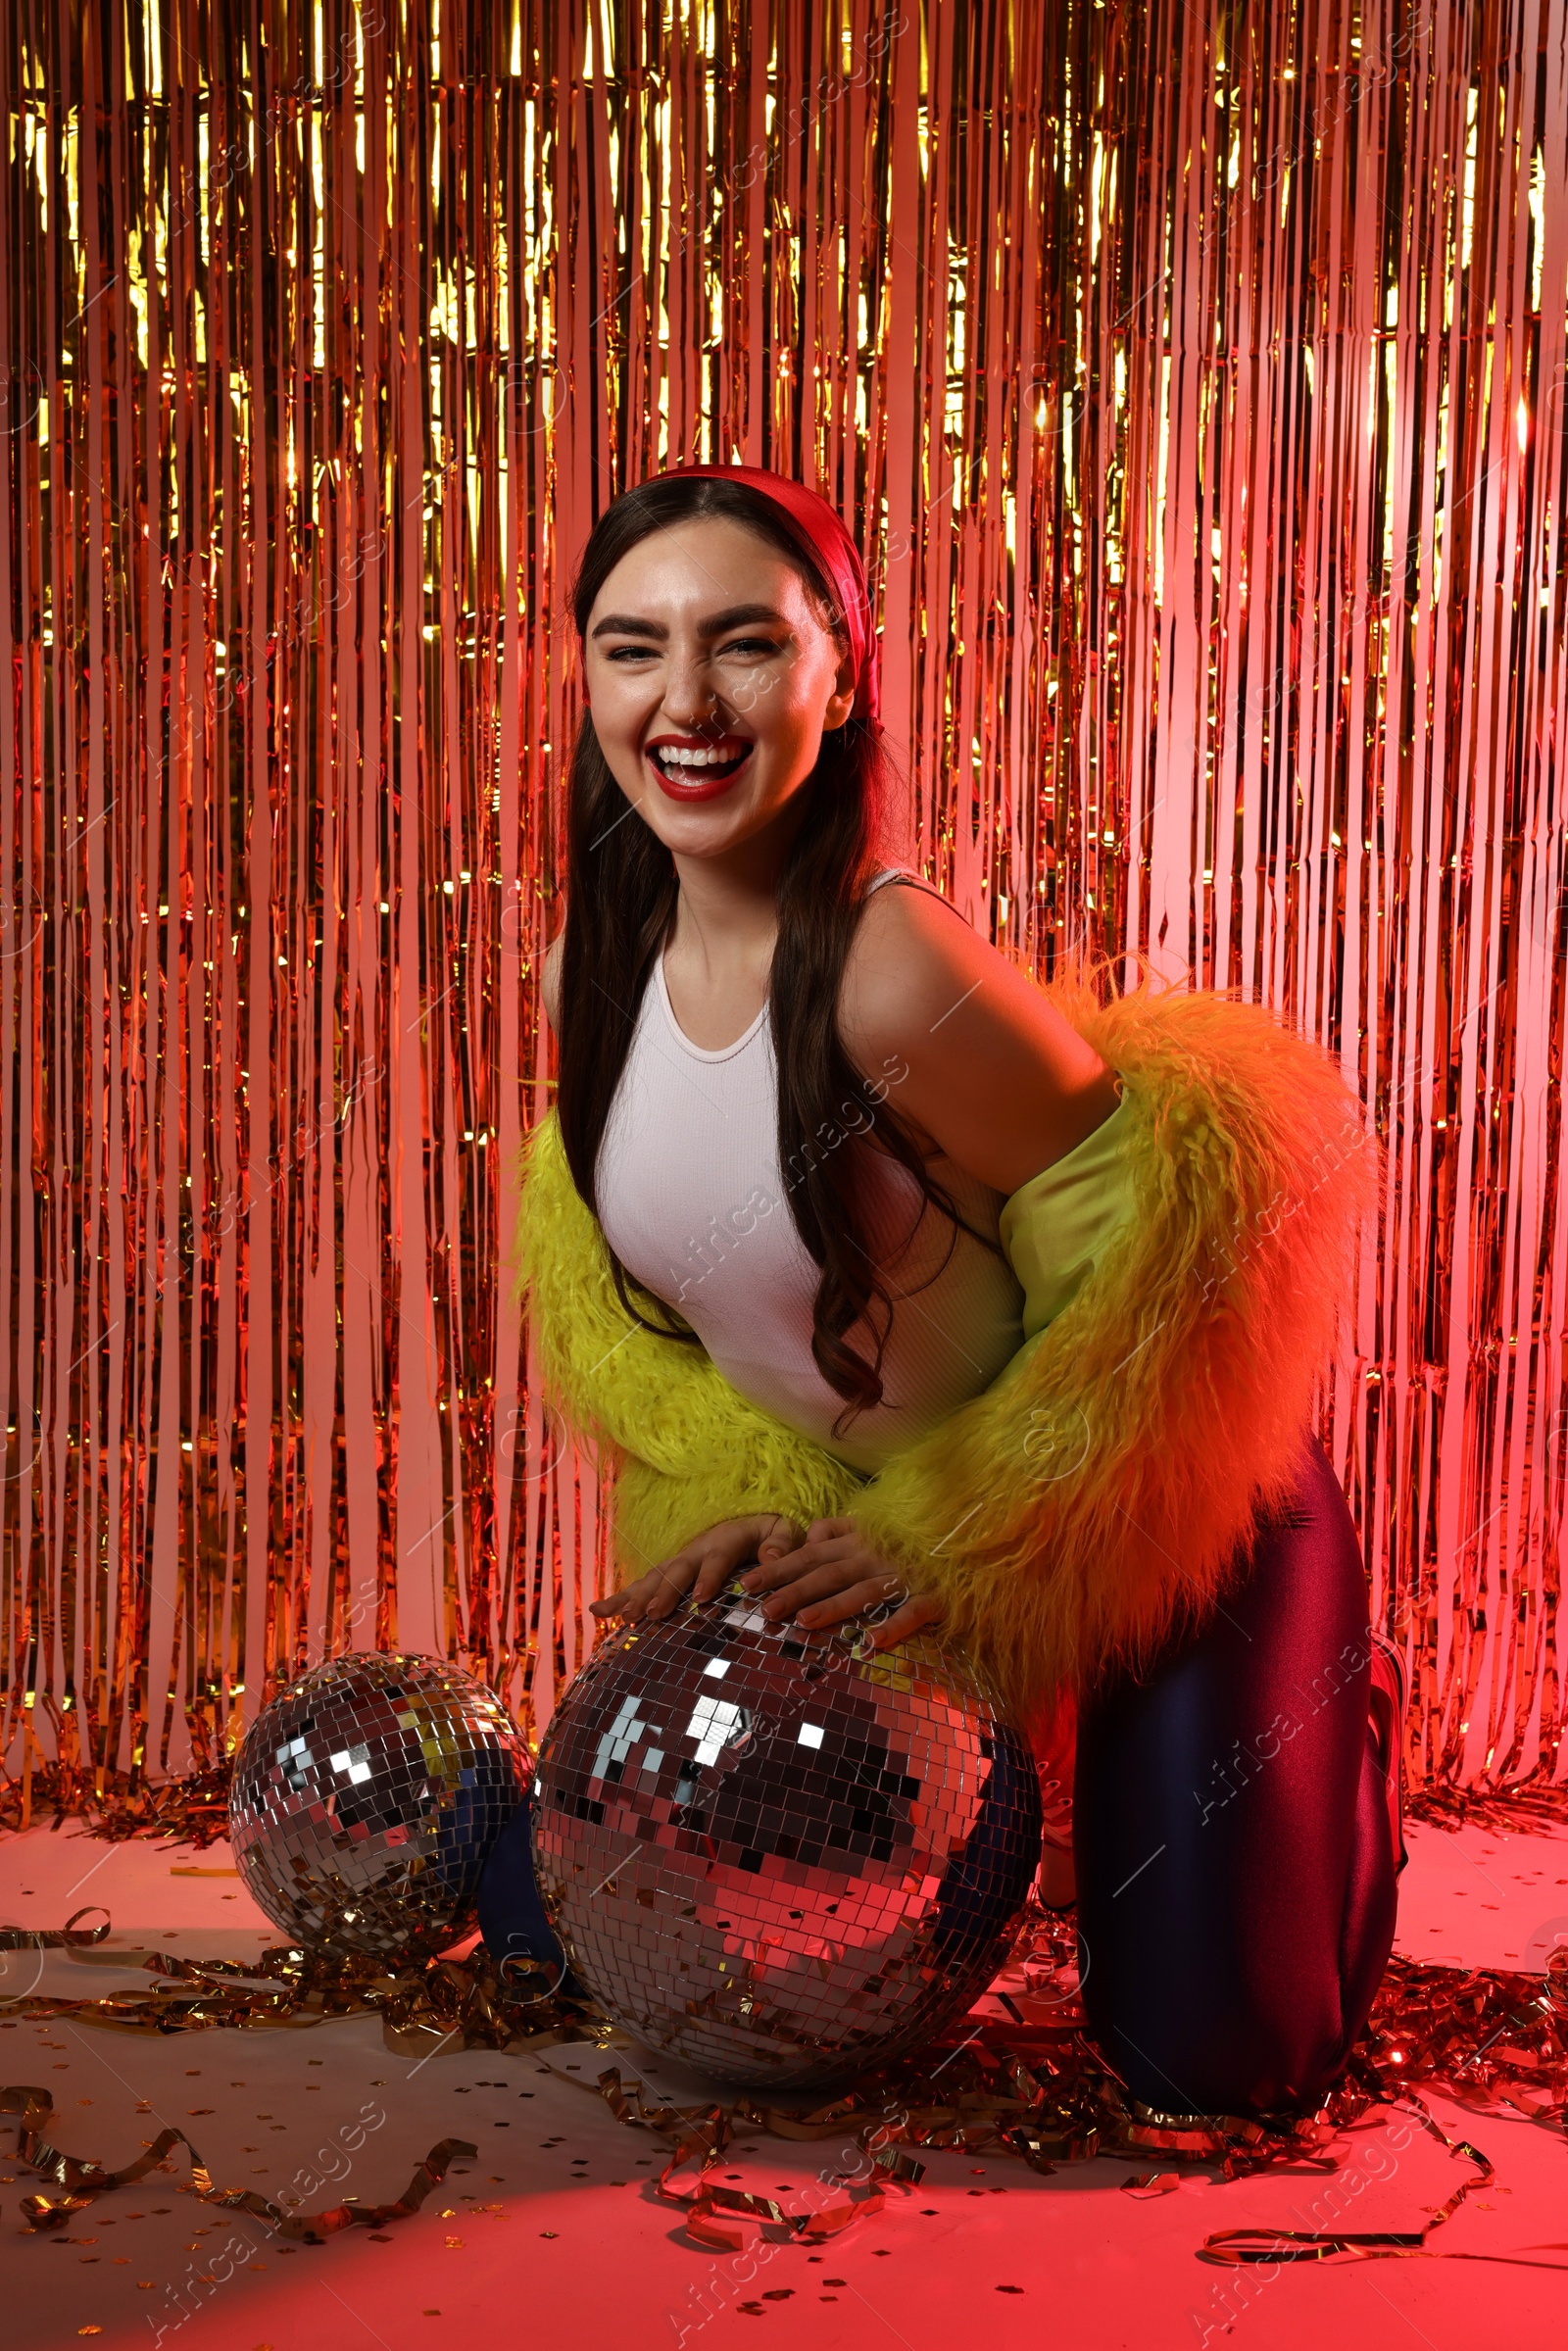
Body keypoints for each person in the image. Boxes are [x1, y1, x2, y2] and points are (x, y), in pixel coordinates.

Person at [482, 464, 1406, 2120]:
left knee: (1216, 2065)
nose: (686, 702)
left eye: (745, 645)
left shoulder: (892, 970)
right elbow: (705, 1343)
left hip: (1179, 1514)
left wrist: (958, 1526)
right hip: (900, 1521)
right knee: (618, 1917)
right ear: (587, 683)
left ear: (841, 679)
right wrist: (766, 1494)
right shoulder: (583, 986)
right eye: (634, 649)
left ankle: (1346, 1723)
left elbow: (1179, 1276)